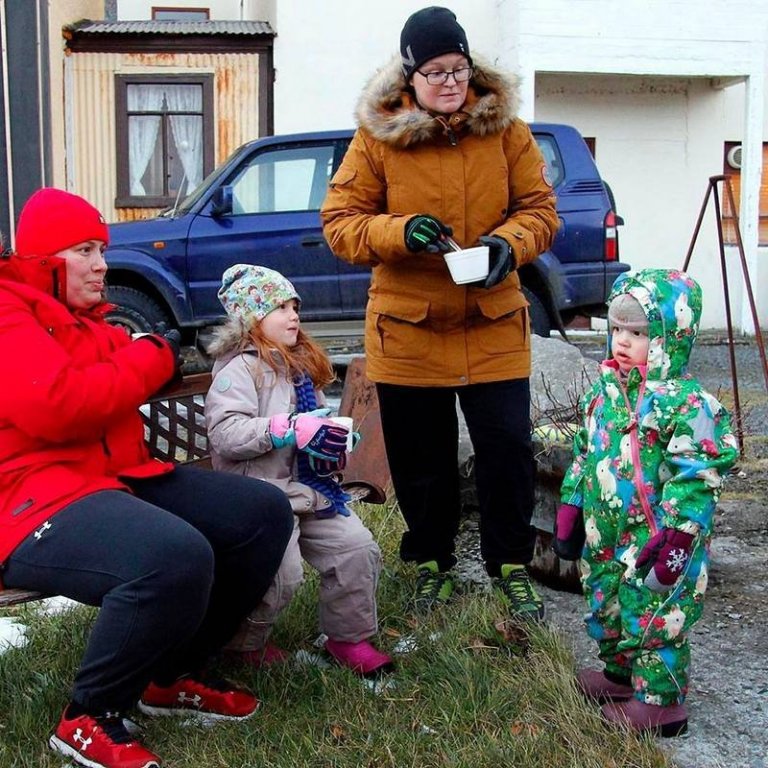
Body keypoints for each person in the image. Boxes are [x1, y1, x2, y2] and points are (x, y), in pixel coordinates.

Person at [0, 188, 294, 768]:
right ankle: (89, 715)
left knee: (260, 515)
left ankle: (169, 674)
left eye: (102, 249)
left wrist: (132, 363)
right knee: (172, 554)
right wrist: (141, 358)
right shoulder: (9, 314)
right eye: (84, 250)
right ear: (43, 259)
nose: (102, 264)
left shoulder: (91, 319)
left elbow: (125, 376)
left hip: (117, 475)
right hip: (32, 498)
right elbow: (59, 405)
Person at [321, 6, 559, 619]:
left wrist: (510, 243)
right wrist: (401, 233)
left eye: (458, 68)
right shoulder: (377, 137)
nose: (450, 82)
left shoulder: (507, 131)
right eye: (435, 72)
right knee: (421, 460)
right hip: (409, 327)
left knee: (507, 451)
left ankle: (510, 565)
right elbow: (340, 226)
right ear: (409, 76)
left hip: (493, 321)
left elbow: (540, 209)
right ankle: (433, 564)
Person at [553, 268, 739, 737]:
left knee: (654, 612)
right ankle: (620, 675)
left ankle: (661, 701)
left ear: (669, 337)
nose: (623, 341)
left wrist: (679, 537)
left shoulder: (688, 404)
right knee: (606, 599)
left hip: (660, 538)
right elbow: (585, 450)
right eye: (617, 329)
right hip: (606, 531)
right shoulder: (605, 394)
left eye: (638, 332)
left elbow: (699, 475)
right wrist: (572, 506)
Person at [205, 264, 393, 677]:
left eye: (295, 306)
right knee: (282, 574)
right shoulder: (239, 370)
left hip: (307, 489)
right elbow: (225, 434)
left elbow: (313, 423)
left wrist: (330, 442)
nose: (293, 316)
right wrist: (284, 429)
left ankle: (348, 637)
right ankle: (243, 645)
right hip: (256, 497)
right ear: (253, 319)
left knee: (355, 549)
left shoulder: (298, 367)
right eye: (280, 308)